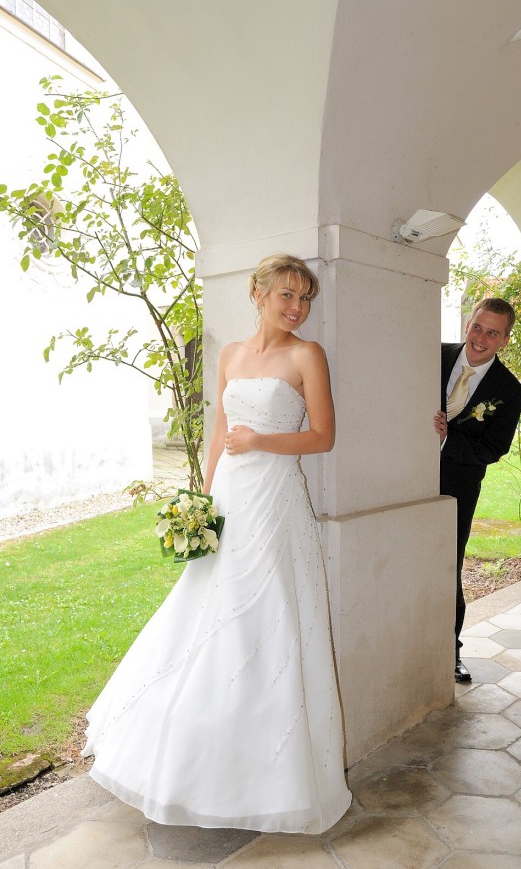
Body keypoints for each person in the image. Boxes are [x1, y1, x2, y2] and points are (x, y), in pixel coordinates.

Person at [83, 253, 352, 834]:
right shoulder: (230, 354)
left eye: (305, 298)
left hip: (274, 500)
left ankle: (264, 769)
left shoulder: (307, 355)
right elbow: (217, 433)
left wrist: (260, 441)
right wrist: (202, 504)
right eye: (286, 295)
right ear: (259, 293)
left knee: (268, 612)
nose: (297, 307)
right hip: (231, 494)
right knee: (205, 604)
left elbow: (323, 436)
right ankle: (184, 750)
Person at [434, 298, 521, 683]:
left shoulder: (510, 390)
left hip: (458, 486)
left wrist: (446, 438)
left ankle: (449, 651)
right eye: (477, 327)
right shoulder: (432, 355)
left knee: (447, 563)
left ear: (504, 340)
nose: (480, 338)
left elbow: (494, 448)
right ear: (468, 323)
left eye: (492, 333)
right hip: (405, 477)